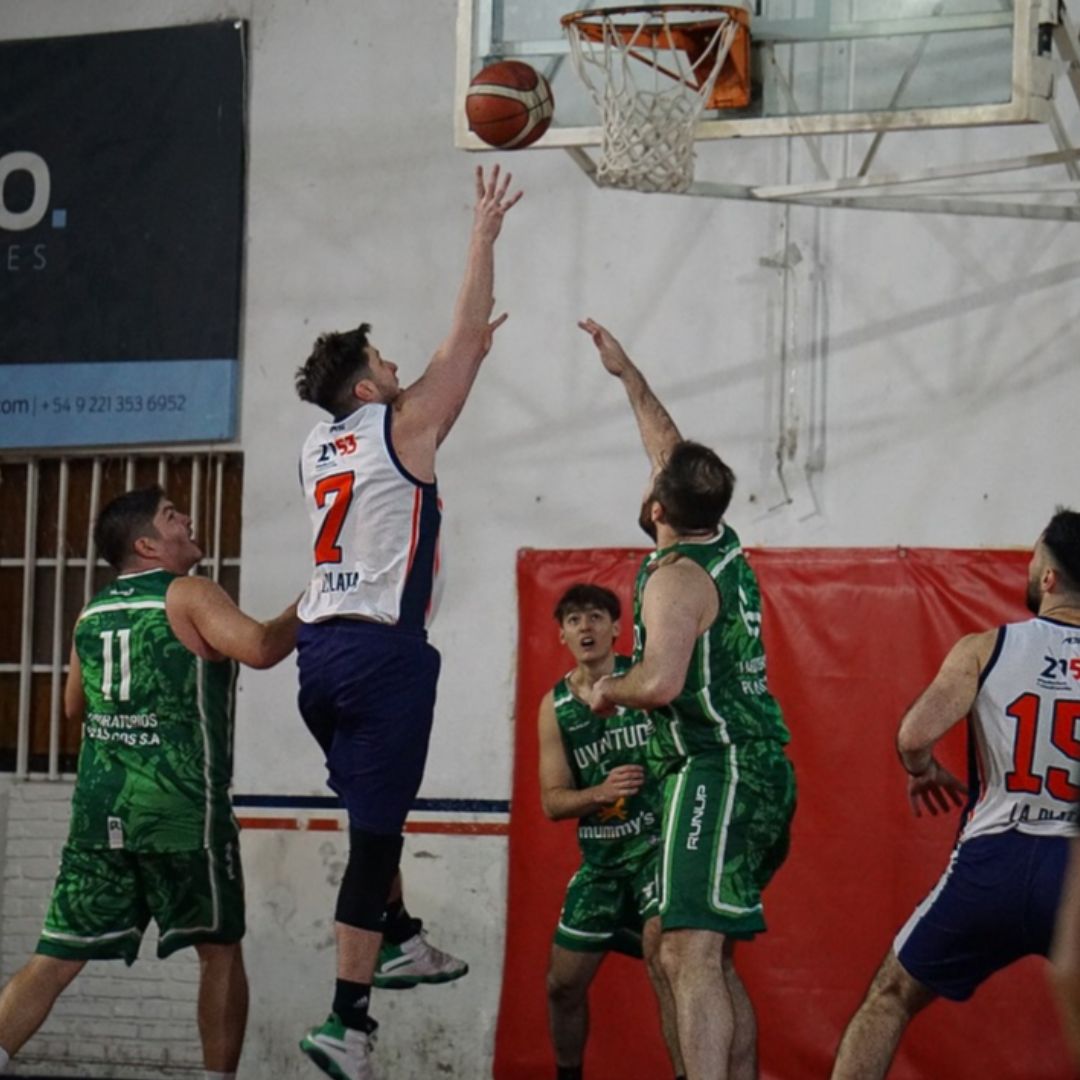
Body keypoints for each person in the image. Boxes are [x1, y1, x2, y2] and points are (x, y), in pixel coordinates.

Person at [293, 165, 521, 1080]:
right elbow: (460, 341)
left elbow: (444, 367)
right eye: (382, 364)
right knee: (376, 839)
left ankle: (403, 935)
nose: (395, 369)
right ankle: (346, 1024)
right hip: (382, 654)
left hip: (320, 651)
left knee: (368, 815)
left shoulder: (318, 444)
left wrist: (454, 361)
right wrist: (484, 232)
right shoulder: (401, 424)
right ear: (361, 389)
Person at [0, 485, 299, 1080]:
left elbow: (71, 706)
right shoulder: (188, 593)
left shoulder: (93, 610)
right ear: (146, 544)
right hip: (180, 811)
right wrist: (316, 598)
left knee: (55, 957)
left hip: (99, 810)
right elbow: (262, 647)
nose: (186, 518)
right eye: (170, 516)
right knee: (218, 951)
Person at [576, 319, 796, 1080]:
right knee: (670, 939)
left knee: (685, 947)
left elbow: (661, 682)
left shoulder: (674, 580)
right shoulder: (713, 533)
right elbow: (669, 446)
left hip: (718, 768)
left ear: (657, 508)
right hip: (742, 768)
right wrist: (628, 374)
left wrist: (609, 691)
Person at [831, 509, 1080, 1080]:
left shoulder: (986, 647)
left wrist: (921, 768)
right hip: (1073, 871)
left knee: (890, 997)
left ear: (1049, 578)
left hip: (997, 856)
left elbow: (914, 735)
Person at [539, 583, 685, 1080]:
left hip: (657, 849)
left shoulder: (646, 679)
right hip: (601, 861)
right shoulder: (555, 706)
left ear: (617, 628)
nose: (586, 627)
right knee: (561, 986)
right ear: (561, 634)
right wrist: (597, 793)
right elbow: (552, 802)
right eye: (575, 619)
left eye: (597, 616)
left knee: (667, 966)